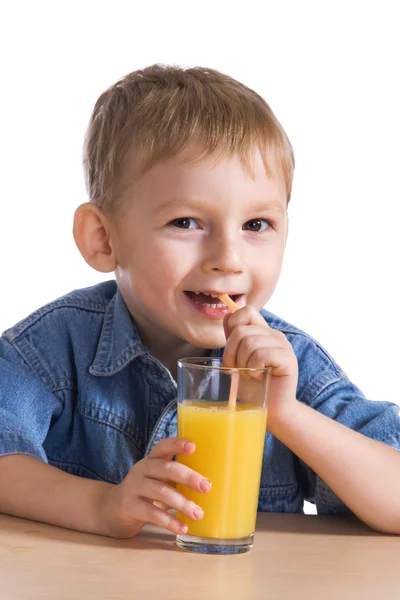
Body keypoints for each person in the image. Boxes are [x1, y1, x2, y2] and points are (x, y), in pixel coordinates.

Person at [0, 64, 399, 539]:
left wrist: (287, 415)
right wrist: (104, 505)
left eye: (256, 225)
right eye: (186, 222)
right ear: (103, 239)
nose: (228, 259)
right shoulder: (51, 348)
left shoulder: (286, 364)